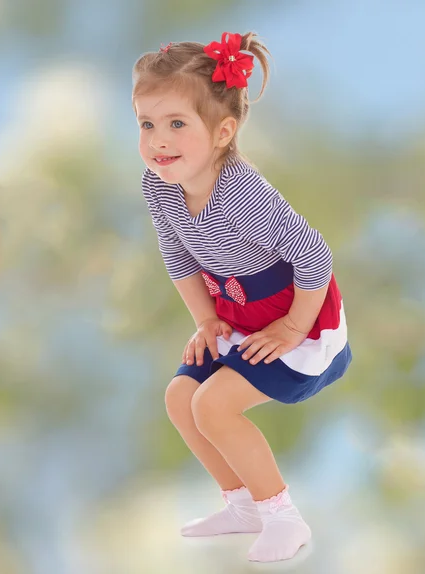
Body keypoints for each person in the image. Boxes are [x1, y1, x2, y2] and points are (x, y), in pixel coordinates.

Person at [132, 31, 352, 563]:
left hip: (294, 317)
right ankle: (243, 504)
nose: (158, 141)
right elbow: (178, 258)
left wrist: (294, 328)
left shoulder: (244, 196)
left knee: (215, 405)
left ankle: (284, 517)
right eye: (146, 124)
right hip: (233, 310)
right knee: (181, 400)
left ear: (223, 131)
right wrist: (206, 320)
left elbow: (315, 257)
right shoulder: (159, 184)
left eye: (177, 124)